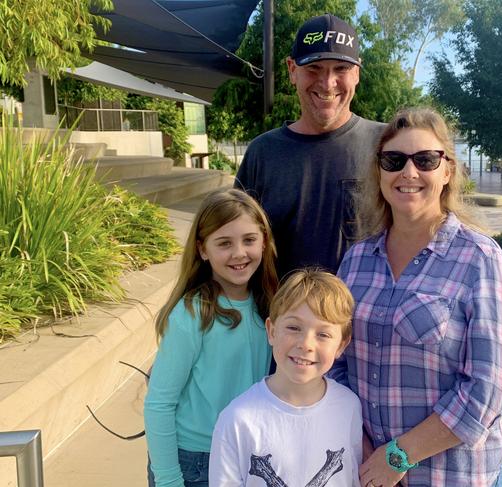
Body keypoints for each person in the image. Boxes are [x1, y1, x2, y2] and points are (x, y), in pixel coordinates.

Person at [331, 108, 502, 487]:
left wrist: (399, 455)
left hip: (457, 476)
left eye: (425, 160)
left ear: (447, 170)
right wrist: (364, 445)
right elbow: (336, 360)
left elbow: (490, 387)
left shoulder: (481, 260)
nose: (409, 172)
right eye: (394, 160)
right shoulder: (355, 261)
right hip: (371, 471)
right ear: (379, 171)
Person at [144, 188, 279, 487]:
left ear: (264, 241)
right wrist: (168, 480)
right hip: (193, 462)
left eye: (249, 240)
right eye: (224, 243)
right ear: (203, 249)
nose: (239, 253)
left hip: (246, 455)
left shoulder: (269, 306)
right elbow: (159, 403)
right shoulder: (191, 314)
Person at [235, 13, 385, 278]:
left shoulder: (388, 147)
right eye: (313, 68)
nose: (327, 83)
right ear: (292, 70)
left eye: (341, 69)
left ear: (357, 73)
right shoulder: (263, 153)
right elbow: (233, 241)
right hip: (278, 317)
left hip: (364, 318)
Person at [209, 269, 362, 486]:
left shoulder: (349, 406)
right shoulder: (237, 420)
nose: (306, 344)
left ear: (341, 345)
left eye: (323, 334)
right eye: (293, 327)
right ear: (271, 331)